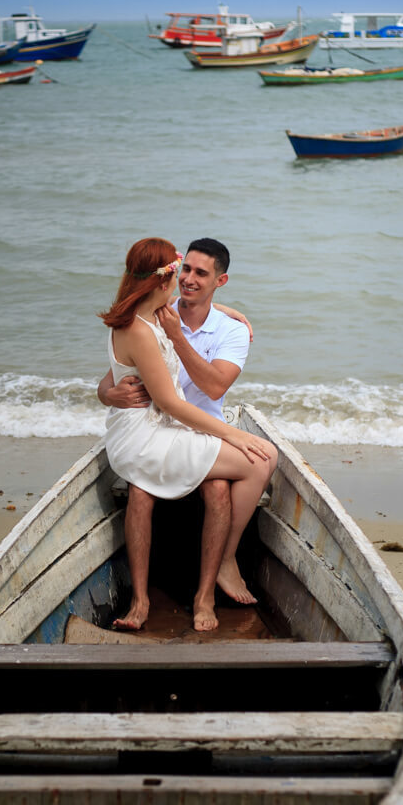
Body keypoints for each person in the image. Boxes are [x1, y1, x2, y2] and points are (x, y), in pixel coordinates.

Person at [99, 237, 277, 632]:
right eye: (183, 271)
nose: (188, 279)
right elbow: (142, 387)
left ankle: (212, 584)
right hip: (159, 428)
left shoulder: (199, 323)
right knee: (141, 493)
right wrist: (107, 393)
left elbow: (213, 389)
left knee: (218, 490)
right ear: (168, 278)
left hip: (180, 425)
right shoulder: (154, 319)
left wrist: (215, 313)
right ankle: (141, 599)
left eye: (200, 274)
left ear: (220, 281)